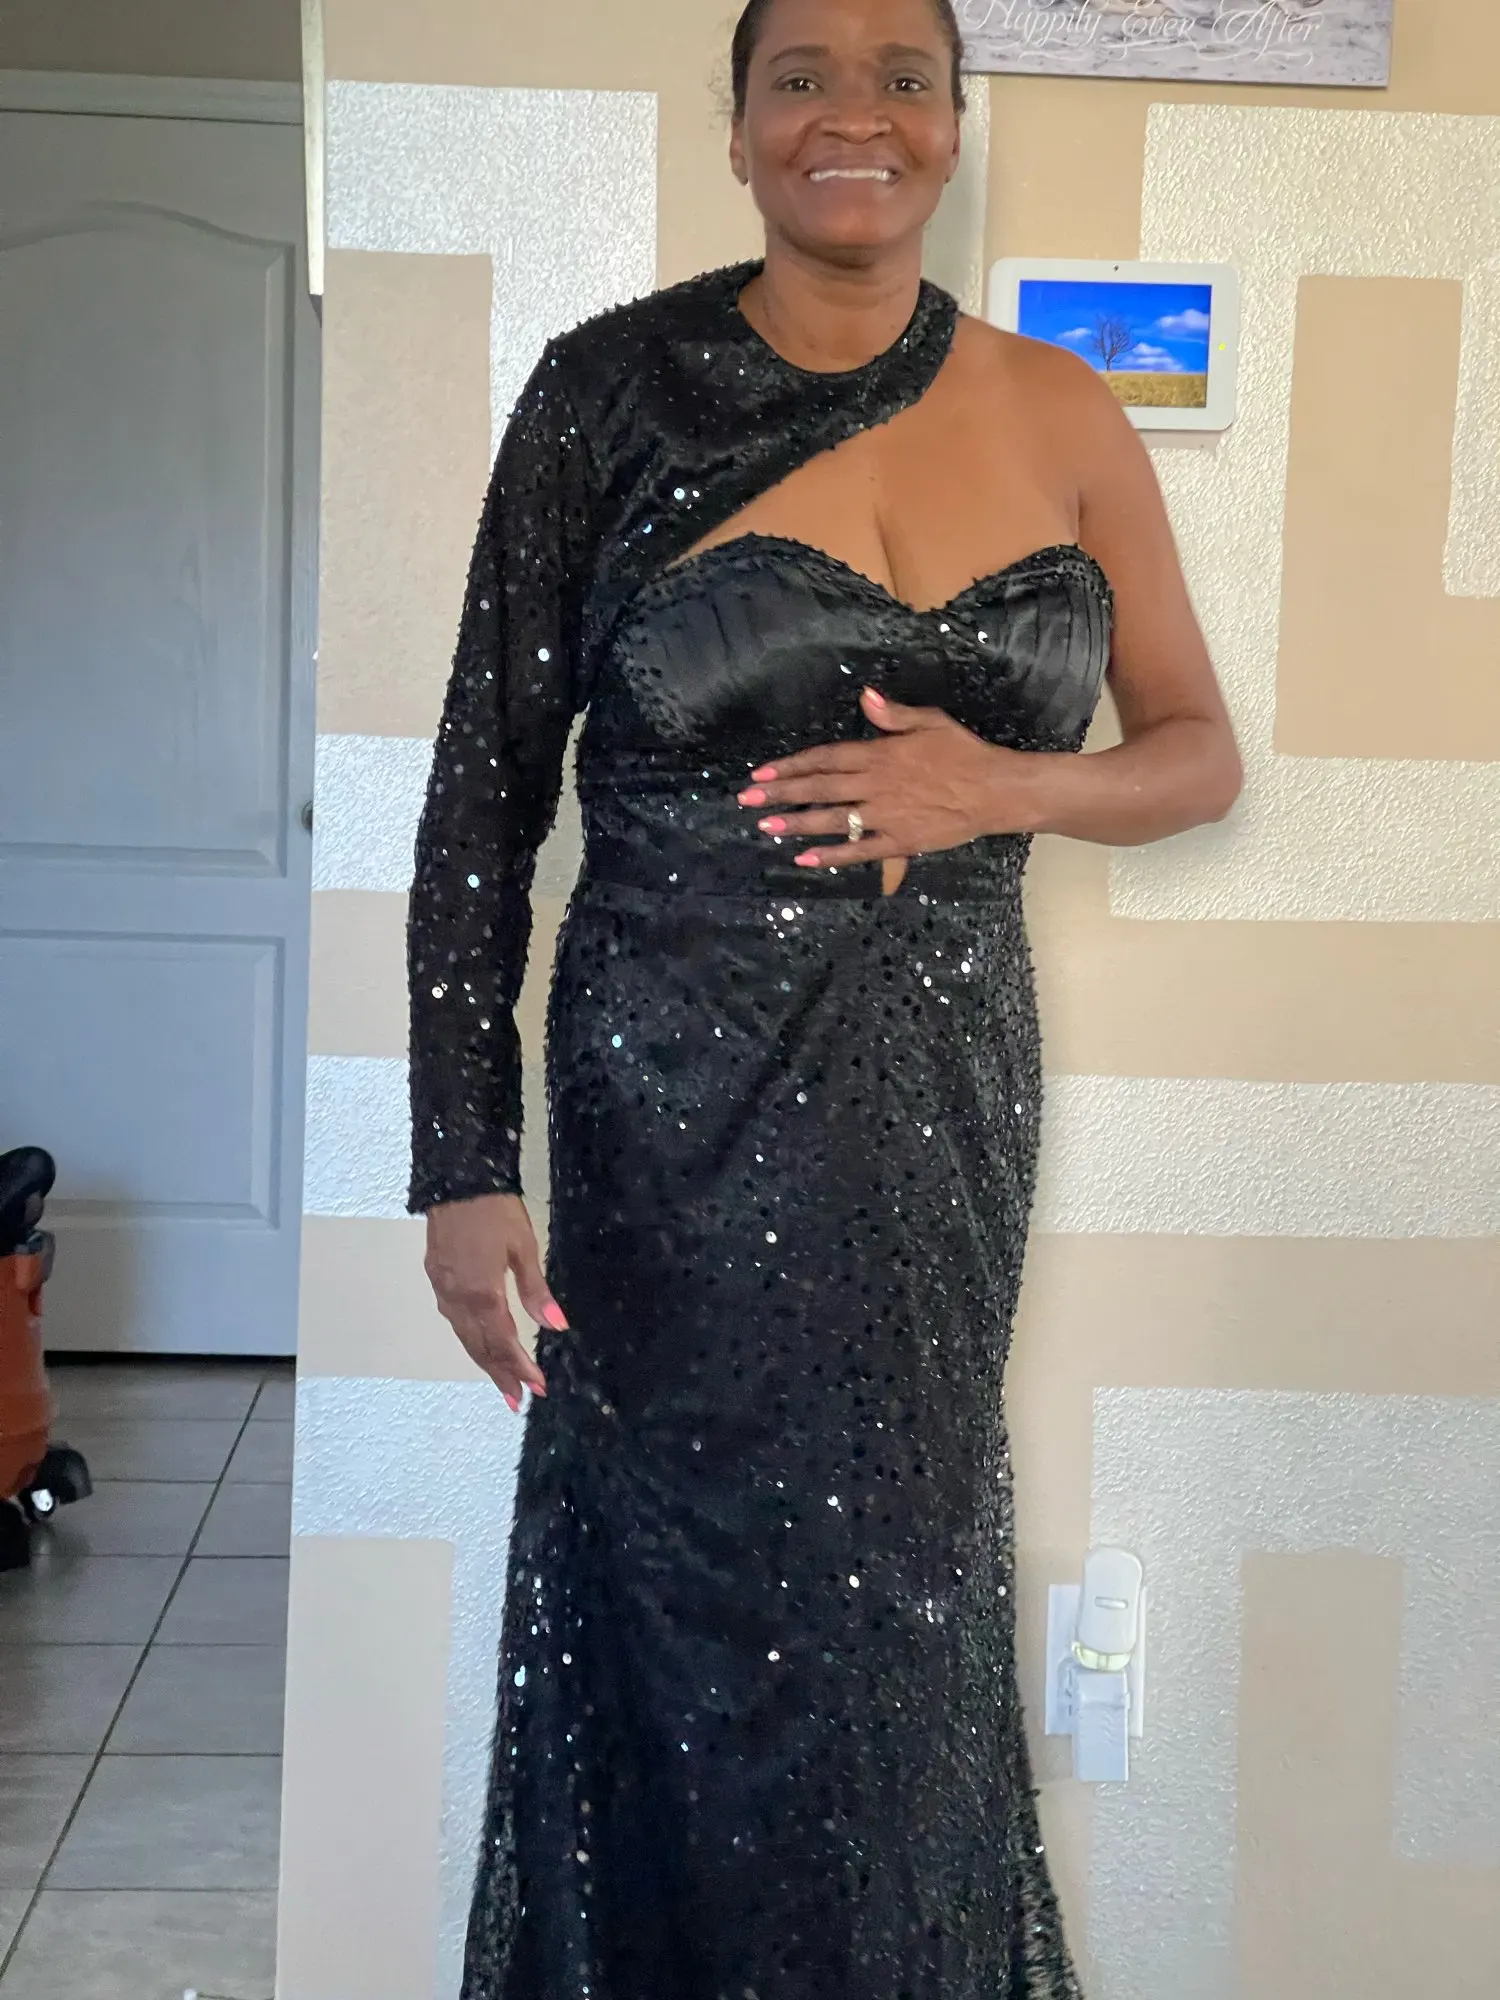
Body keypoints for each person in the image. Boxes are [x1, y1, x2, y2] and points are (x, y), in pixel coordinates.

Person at [407, 0, 1241, 1992]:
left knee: (898, 1604)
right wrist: (460, 1159)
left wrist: (1000, 787)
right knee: (677, 1598)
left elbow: (1196, 755)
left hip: (936, 1111)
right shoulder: (606, 395)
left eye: (900, 77)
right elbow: (481, 798)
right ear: (737, 130)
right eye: (800, 77)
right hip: (668, 1115)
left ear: (953, 124)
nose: (851, 113)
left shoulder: (1065, 413)